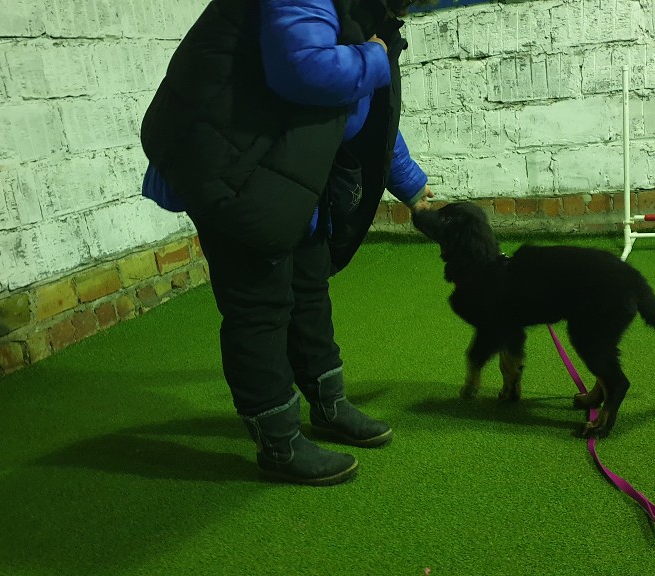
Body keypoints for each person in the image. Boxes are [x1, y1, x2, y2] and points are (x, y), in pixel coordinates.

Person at [139, 0, 434, 486]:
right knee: (259, 304)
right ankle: (278, 441)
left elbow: (360, 107)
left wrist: (414, 188)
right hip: (231, 169)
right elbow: (305, 70)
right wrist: (376, 57)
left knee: (309, 284)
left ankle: (328, 403)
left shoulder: (364, 11)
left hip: (287, 169)